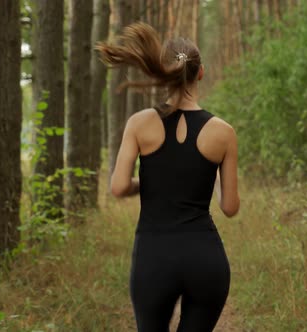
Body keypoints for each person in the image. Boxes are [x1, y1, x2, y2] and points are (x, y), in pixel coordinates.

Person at [96, 22, 240, 332]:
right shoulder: (224, 132)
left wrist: (147, 183)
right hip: (206, 261)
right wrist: (211, 177)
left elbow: (119, 187)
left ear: (165, 70)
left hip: (154, 258)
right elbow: (229, 207)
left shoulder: (139, 123)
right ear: (200, 73)